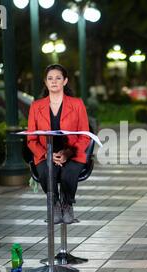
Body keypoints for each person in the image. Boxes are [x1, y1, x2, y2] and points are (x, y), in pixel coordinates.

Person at [27, 64, 90, 224]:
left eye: (58, 78)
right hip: (44, 153)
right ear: (45, 82)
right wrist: (47, 154)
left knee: (69, 172)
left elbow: (85, 136)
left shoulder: (77, 104)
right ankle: (54, 204)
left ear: (65, 81)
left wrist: (68, 153)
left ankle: (67, 204)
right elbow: (31, 139)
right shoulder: (36, 106)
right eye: (50, 78)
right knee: (46, 171)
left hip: (73, 152)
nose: (54, 81)